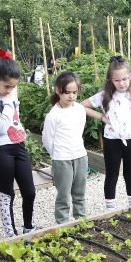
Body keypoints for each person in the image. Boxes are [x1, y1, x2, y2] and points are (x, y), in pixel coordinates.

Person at [82, 56, 131, 211]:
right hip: (111, 140)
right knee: (112, 174)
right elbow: (82, 106)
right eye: (117, 80)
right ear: (111, 80)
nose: (122, 83)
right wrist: (102, 117)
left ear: (130, 76)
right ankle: (110, 208)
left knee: (130, 173)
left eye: (125, 79)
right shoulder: (104, 95)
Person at [0, 48, 36, 236]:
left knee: (29, 191)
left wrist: (10, 98)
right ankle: (12, 235)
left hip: (18, 145)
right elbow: (0, 128)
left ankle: (28, 228)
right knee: (6, 194)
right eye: (7, 87)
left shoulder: (10, 90)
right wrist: (11, 102)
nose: (10, 90)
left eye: (13, 87)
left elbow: (14, 119)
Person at [42, 71, 88, 223]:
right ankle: (62, 225)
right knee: (63, 195)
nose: (71, 96)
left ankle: (80, 221)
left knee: (79, 193)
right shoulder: (53, 115)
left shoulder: (80, 109)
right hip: (62, 159)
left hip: (80, 156)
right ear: (58, 90)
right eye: (67, 92)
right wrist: (57, 155)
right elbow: (47, 140)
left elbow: (80, 130)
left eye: (74, 92)